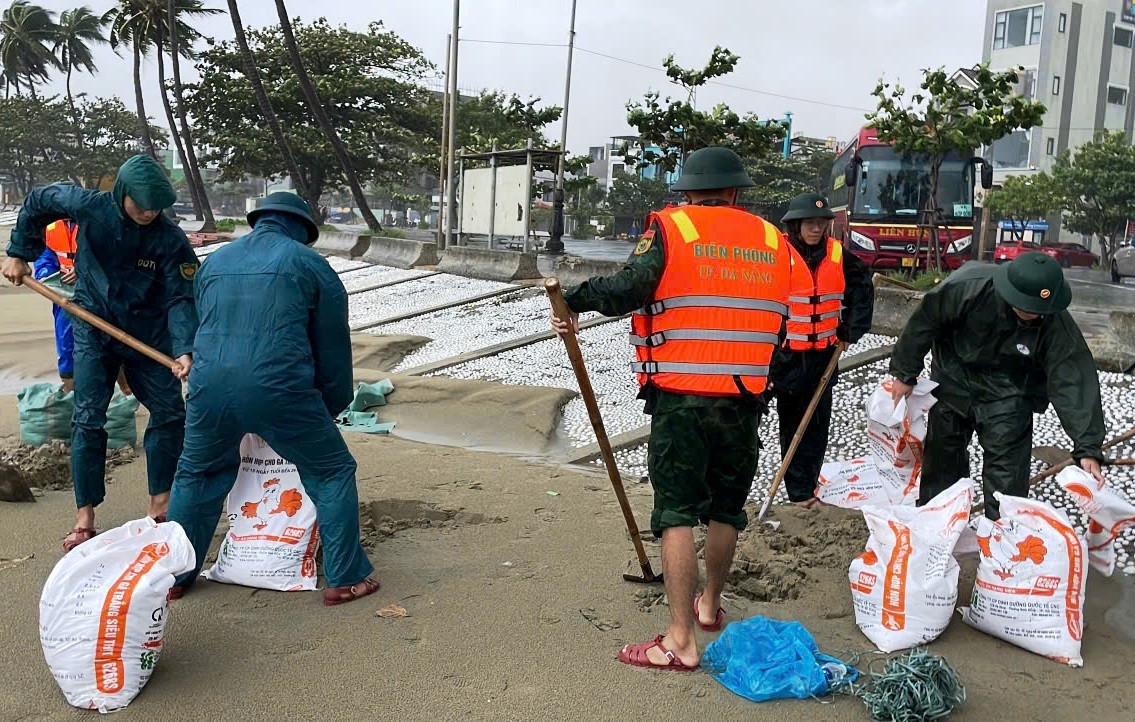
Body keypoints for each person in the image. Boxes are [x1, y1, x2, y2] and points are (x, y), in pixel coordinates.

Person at [551, 147, 793, 670]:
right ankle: (709, 606)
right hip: (746, 398)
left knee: (677, 512)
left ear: (688, 191)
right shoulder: (774, 239)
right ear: (734, 192)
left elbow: (628, 289)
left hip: (683, 397)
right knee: (727, 507)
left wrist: (572, 298)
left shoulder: (672, 228)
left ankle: (680, 641)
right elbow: (787, 320)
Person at [165, 192, 378, 606]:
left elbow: (201, 324)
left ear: (258, 219)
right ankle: (346, 578)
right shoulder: (311, 265)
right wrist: (331, 406)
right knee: (332, 469)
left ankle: (174, 576)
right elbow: (332, 350)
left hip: (208, 389)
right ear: (303, 229)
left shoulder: (216, 263)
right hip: (280, 388)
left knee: (196, 473)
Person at [2, 156, 197, 551]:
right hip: (93, 323)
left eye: (156, 206)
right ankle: (84, 516)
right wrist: (19, 252)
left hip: (148, 331)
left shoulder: (170, 239)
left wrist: (184, 349)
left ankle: (159, 505)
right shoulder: (90, 206)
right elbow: (39, 200)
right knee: (88, 418)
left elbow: (181, 298)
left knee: (170, 412)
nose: (148, 213)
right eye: (141, 205)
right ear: (123, 194)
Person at [888, 252, 1106, 519]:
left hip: (1010, 390)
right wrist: (904, 373)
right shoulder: (968, 287)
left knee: (1008, 474)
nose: (1036, 316)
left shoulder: (1053, 319)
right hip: (954, 374)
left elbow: (1073, 378)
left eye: (1041, 312)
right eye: (1029, 309)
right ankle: (937, 524)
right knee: (944, 455)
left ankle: (1004, 537)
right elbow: (924, 322)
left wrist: (1088, 447)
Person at [770, 193, 873, 507]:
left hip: (824, 355)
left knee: (817, 424)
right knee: (792, 423)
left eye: (821, 223)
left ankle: (807, 487)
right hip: (788, 356)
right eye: (810, 223)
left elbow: (862, 289)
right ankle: (796, 490)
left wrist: (851, 328)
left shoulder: (839, 254)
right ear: (796, 224)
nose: (816, 229)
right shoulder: (779, 255)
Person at [33, 219, 132, 397]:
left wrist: (83, 270)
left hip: (98, 293)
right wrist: (47, 275)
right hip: (64, 295)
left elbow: (111, 256)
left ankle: (126, 389)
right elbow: (45, 257)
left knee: (109, 338)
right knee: (66, 342)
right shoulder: (51, 229)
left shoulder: (95, 222)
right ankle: (71, 390)